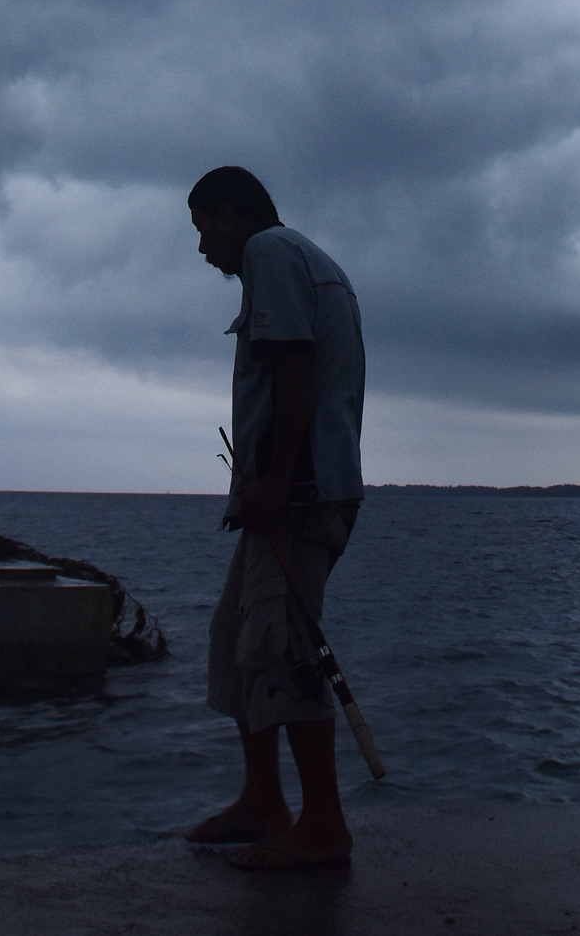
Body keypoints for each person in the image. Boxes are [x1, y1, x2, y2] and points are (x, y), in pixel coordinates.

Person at [184, 165, 367, 870]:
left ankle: (323, 824)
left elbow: (295, 364)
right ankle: (264, 800)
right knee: (238, 635)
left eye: (204, 228)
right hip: (289, 491)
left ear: (232, 215)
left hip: (300, 494)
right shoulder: (304, 260)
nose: (203, 249)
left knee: (282, 643)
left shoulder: (269, 254)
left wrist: (279, 480)